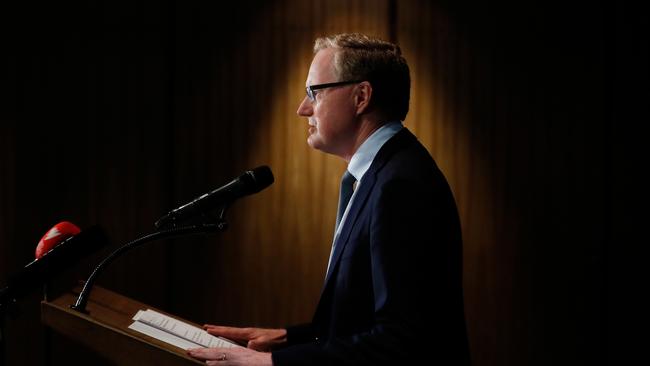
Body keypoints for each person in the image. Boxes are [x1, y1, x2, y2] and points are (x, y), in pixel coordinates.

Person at [188, 33, 471, 365]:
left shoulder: (401, 185)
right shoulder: (379, 174)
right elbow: (362, 320)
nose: (302, 108)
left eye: (314, 92)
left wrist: (271, 364)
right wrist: (288, 338)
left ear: (361, 96)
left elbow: (402, 342)